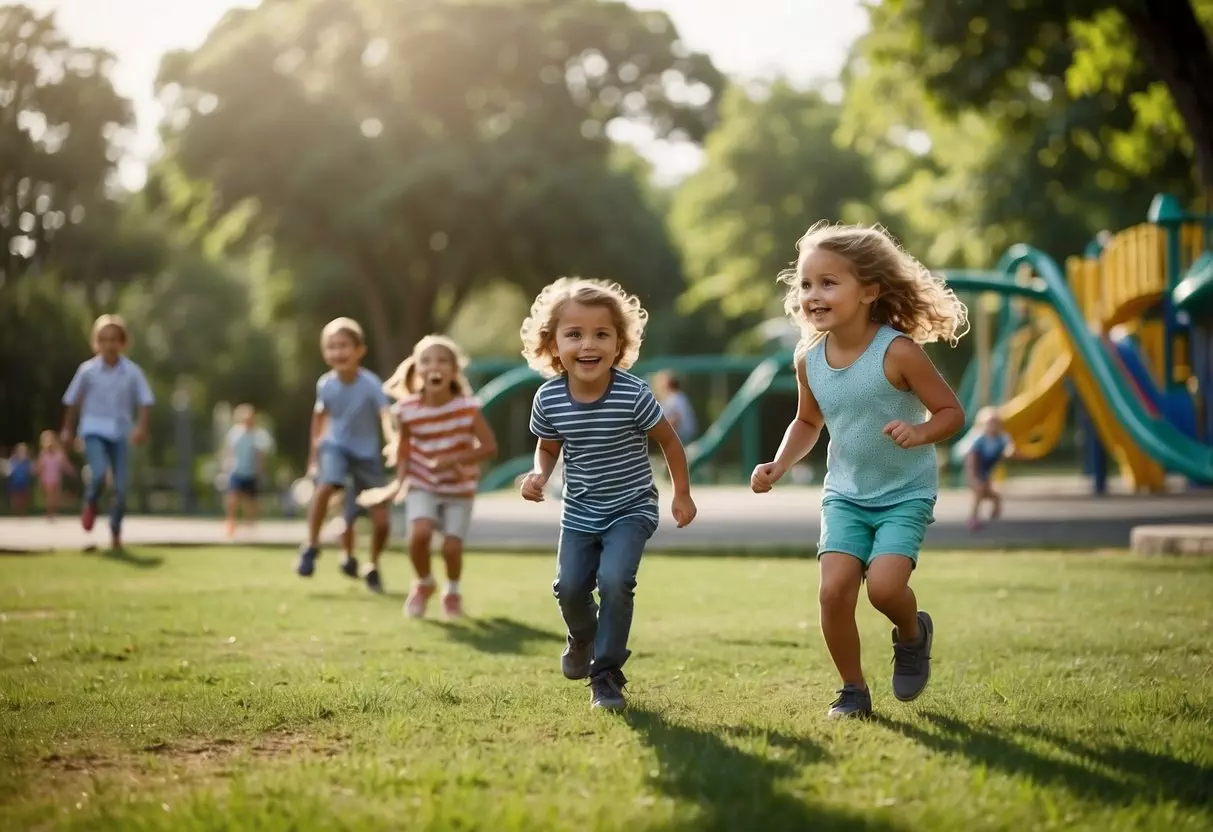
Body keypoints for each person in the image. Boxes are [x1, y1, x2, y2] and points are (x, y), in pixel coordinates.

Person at [750, 221, 968, 719]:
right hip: (845, 493)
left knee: (886, 589)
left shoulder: (898, 352)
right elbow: (808, 420)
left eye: (829, 283)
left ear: (869, 291)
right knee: (833, 591)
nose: (813, 294)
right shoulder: (809, 358)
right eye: (806, 284)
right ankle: (852, 690)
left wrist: (921, 433)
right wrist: (780, 465)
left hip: (904, 493)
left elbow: (952, 413)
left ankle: (912, 634)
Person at [518, 277, 698, 711]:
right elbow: (547, 447)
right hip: (579, 512)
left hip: (631, 507)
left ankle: (606, 672)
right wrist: (539, 474)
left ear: (619, 343)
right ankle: (582, 637)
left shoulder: (633, 394)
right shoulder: (548, 399)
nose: (588, 345)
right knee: (569, 588)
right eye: (574, 334)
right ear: (553, 343)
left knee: (616, 581)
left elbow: (670, 441)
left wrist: (682, 495)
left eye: (602, 334)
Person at [381, 335, 499, 619]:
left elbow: (489, 447)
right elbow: (404, 447)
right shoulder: (406, 410)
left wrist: (455, 459)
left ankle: (452, 591)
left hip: (459, 487)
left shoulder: (468, 408)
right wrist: (401, 479)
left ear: (454, 370)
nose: (435, 366)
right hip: (422, 482)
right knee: (418, 535)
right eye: (427, 360)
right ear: (417, 368)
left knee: (451, 546)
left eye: (443, 360)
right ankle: (423, 583)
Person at [295, 317, 394, 592]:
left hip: (367, 455)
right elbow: (319, 418)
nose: (337, 352)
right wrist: (314, 454)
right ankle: (311, 546)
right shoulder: (325, 385)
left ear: (360, 350)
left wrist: (393, 443)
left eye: (343, 346)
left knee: (381, 519)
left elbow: (386, 416)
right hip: (335, 446)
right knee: (327, 485)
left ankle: (372, 564)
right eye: (331, 346)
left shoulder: (371, 384)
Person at [61, 314, 155, 549]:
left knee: (121, 488)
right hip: (93, 429)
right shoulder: (87, 371)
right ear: (96, 343)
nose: (109, 345)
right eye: (103, 340)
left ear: (122, 343)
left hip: (121, 433)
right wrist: (67, 429)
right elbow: (72, 400)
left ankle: (115, 531)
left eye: (114, 339)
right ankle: (91, 501)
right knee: (100, 473)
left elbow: (146, 400)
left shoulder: (132, 372)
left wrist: (142, 427)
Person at [222, 404, 273, 538]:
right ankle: (231, 524)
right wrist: (226, 465)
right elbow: (229, 450)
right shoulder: (235, 433)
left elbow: (260, 455)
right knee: (233, 498)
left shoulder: (259, 435)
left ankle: (249, 526)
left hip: (252, 472)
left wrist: (261, 471)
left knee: (251, 501)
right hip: (236, 470)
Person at [965, 406, 1015, 531]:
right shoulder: (979, 439)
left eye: (995, 422)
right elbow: (972, 458)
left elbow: (1009, 446)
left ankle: (996, 503)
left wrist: (1009, 452)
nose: (992, 426)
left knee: (985, 493)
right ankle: (973, 518)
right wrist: (973, 476)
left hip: (987, 469)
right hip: (976, 468)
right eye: (989, 423)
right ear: (982, 424)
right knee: (979, 492)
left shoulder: (1001, 437)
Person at [35, 431, 75, 520]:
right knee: (49, 496)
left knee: (56, 496)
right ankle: (49, 512)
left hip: (56, 478)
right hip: (47, 479)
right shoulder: (43, 455)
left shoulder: (59, 454)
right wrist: (37, 473)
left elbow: (64, 464)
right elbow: (39, 466)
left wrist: (71, 470)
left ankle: (53, 512)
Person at [653, 371, 698, 443]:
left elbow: (675, 420)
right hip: (684, 437)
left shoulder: (674, 398)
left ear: (667, 383)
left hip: (681, 438)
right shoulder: (679, 397)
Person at [7, 443, 33, 516]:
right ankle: (16, 514)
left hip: (24, 482)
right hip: (15, 482)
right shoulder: (13, 460)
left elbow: (30, 471)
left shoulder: (27, 461)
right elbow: (10, 471)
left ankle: (23, 515)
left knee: (24, 499)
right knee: (15, 499)